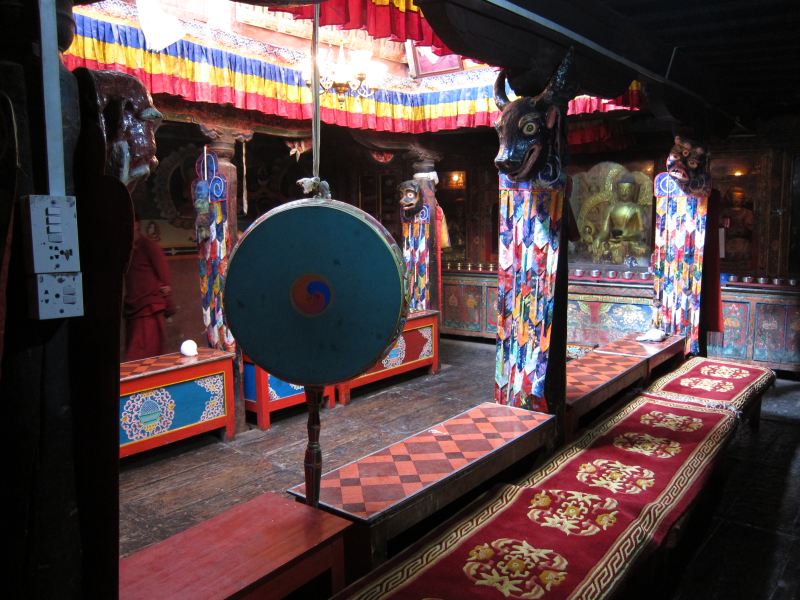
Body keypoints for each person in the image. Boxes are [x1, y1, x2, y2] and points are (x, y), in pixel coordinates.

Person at [124, 215, 174, 360]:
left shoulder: (148, 246)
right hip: (134, 308)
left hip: (149, 307)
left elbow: (164, 275)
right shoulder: (128, 250)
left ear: (136, 224)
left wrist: (167, 298)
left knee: (142, 355)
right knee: (135, 356)